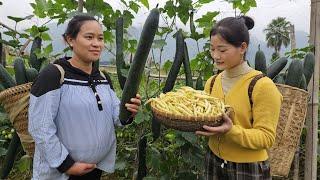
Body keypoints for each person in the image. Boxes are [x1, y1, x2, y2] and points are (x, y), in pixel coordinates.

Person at [28, 15, 141, 180]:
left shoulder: (102, 77)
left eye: (100, 38)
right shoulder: (53, 75)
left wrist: (129, 112)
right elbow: (40, 127)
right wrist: (67, 165)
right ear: (70, 40)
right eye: (89, 37)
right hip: (62, 173)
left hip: (94, 170)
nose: (96, 43)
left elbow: (116, 117)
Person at [195, 16, 282, 180]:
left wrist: (231, 131)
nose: (215, 56)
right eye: (212, 49)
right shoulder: (211, 83)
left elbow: (266, 138)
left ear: (242, 47)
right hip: (213, 160)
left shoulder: (262, 86)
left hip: (248, 168)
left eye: (222, 50)